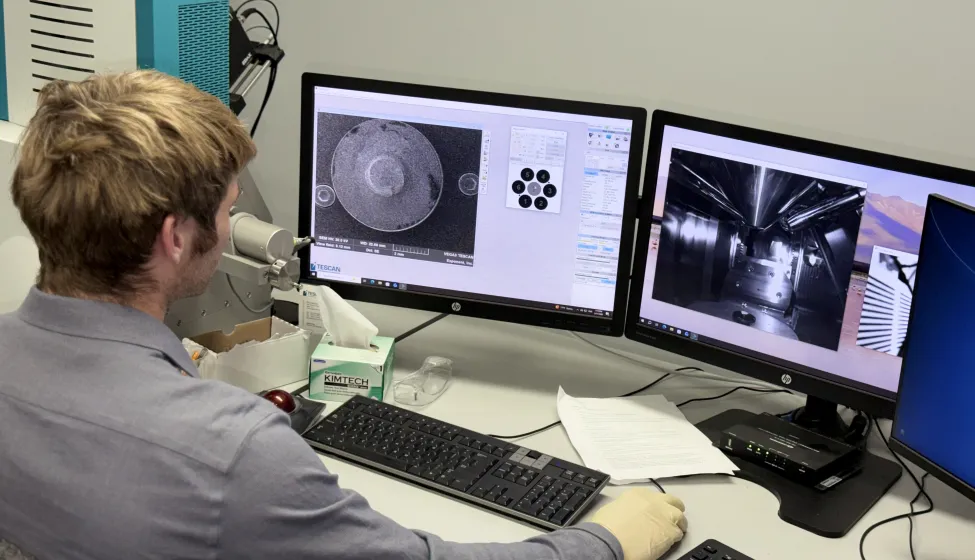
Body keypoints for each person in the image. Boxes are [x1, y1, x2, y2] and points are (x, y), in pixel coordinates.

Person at [0, 71, 687, 560]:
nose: (233, 222)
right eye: (226, 208)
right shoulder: (230, 448)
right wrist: (608, 540)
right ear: (176, 238)